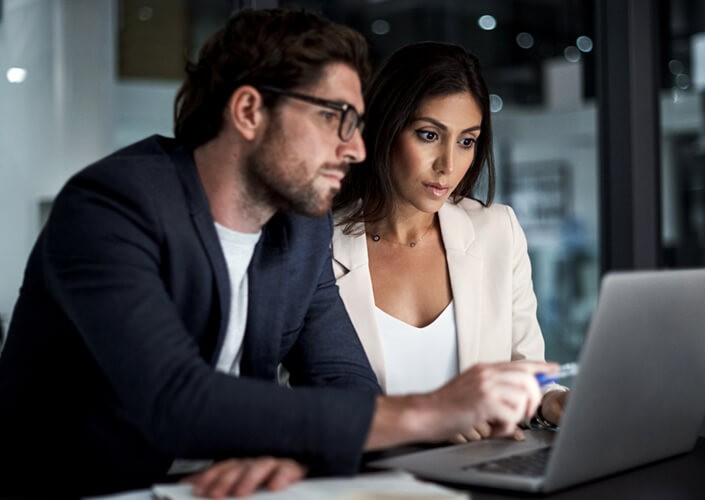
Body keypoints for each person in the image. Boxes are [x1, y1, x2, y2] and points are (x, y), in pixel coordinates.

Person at [0, 9, 556, 498]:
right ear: (248, 112)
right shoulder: (111, 207)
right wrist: (433, 410)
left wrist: (297, 446)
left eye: (358, 125)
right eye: (335, 119)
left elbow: (343, 378)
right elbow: (175, 398)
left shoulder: (300, 230)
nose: (357, 148)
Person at [332, 42, 569, 442]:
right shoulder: (318, 244)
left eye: (466, 141)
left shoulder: (498, 230)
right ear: (385, 127)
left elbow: (528, 370)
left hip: (478, 474)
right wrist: (422, 424)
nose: (448, 165)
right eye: (428, 135)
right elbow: (293, 397)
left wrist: (554, 402)